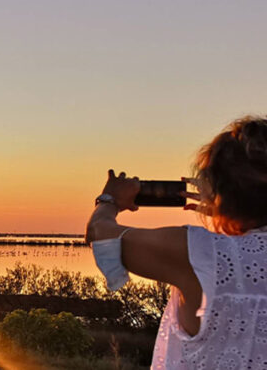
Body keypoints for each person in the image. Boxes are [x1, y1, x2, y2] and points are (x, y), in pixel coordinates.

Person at [86, 116, 267, 369]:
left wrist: (109, 199)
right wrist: (238, 215)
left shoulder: (201, 254)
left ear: (218, 188)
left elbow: (100, 235)